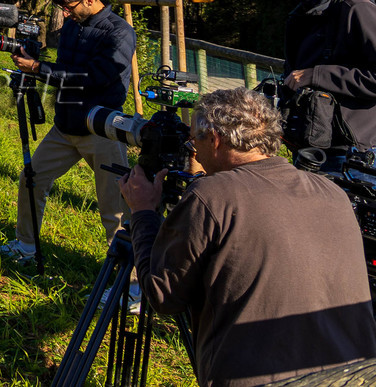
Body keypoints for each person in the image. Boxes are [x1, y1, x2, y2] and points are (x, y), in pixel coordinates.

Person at [120, 87, 376, 387]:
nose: (193, 151)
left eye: (194, 141)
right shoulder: (332, 193)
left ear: (214, 139)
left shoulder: (212, 196)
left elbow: (163, 296)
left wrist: (143, 213)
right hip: (354, 376)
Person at [0, 0, 136, 270]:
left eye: (69, 7)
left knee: (114, 208)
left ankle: (128, 283)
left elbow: (95, 79)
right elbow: (64, 67)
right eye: (62, 8)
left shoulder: (119, 33)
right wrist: (33, 56)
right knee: (31, 181)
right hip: (65, 125)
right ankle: (26, 247)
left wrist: (39, 68)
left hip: (101, 128)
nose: (65, 13)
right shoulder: (71, 26)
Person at [276, 0, 376, 147]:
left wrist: (318, 75)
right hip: (309, 148)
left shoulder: (356, 8)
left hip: (353, 155)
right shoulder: (300, 15)